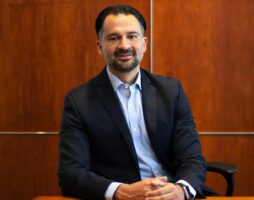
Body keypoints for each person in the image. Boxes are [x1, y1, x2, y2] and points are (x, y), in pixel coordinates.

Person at [58, 4, 213, 200]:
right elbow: (70, 174)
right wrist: (123, 191)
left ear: (144, 43)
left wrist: (180, 190)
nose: (124, 45)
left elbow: (192, 158)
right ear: (100, 47)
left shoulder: (171, 91)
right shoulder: (79, 102)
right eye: (114, 38)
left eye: (132, 36)